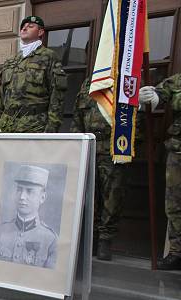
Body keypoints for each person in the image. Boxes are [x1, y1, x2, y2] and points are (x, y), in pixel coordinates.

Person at [138, 30, 181, 275]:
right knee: (175, 202)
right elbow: (160, 94)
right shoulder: (180, 80)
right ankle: (176, 252)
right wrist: (152, 96)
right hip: (178, 148)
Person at [72, 75, 128, 261]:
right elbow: (77, 118)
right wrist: (77, 145)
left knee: (111, 197)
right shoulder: (89, 83)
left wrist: (128, 146)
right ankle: (91, 238)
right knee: (89, 196)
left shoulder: (124, 80)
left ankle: (105, 240)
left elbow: (134, 118)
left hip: (113, 150)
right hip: (89, 148)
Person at [0, 16, 67, 133]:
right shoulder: (11, 61)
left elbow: (57, 94)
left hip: (34, 126)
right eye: (23, 27)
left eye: (30, 26)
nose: (24, 29)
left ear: (40, 32)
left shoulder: (48, 56)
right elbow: (1, 95)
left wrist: (52, 128)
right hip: (7, 125)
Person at [0, 164, 57, 269]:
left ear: (42, 197)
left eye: (29, 191)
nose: (22, 197)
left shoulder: (50, 239)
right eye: (19, 189)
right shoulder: (1, 230)